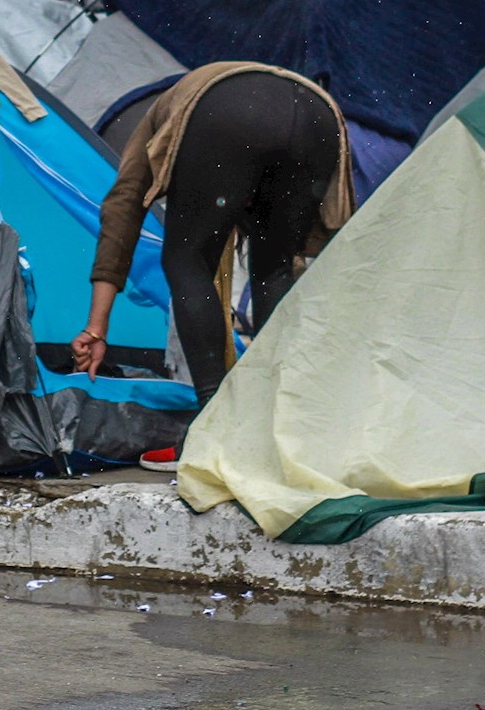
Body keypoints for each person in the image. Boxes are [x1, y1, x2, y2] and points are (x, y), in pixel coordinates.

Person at [71, 63, 352, 470]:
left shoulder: (168, 116)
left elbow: (124, 207)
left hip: (230, 115)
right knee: (274, 270)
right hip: (319, 115)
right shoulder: (254, 87)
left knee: (185, 257)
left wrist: (96, 327)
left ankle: (211, 424)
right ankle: (283, 428)